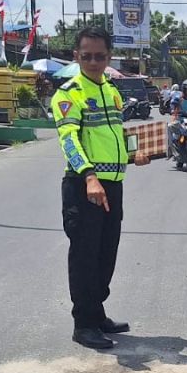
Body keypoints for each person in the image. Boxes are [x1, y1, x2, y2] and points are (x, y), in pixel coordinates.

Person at [52, 27, 151, 350]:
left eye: (100, 56)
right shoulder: (69, 94)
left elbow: (114, 134)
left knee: (106, 254)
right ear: (76, 56)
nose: (93, 61)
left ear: (109, 58)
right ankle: (83, 324)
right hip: (84, 187)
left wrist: (133, 152)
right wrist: (90, 177)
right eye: (87, 56)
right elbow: (70, 140)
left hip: (113, 186)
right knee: (84, 256)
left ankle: (97, 313)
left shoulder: (111, 91)